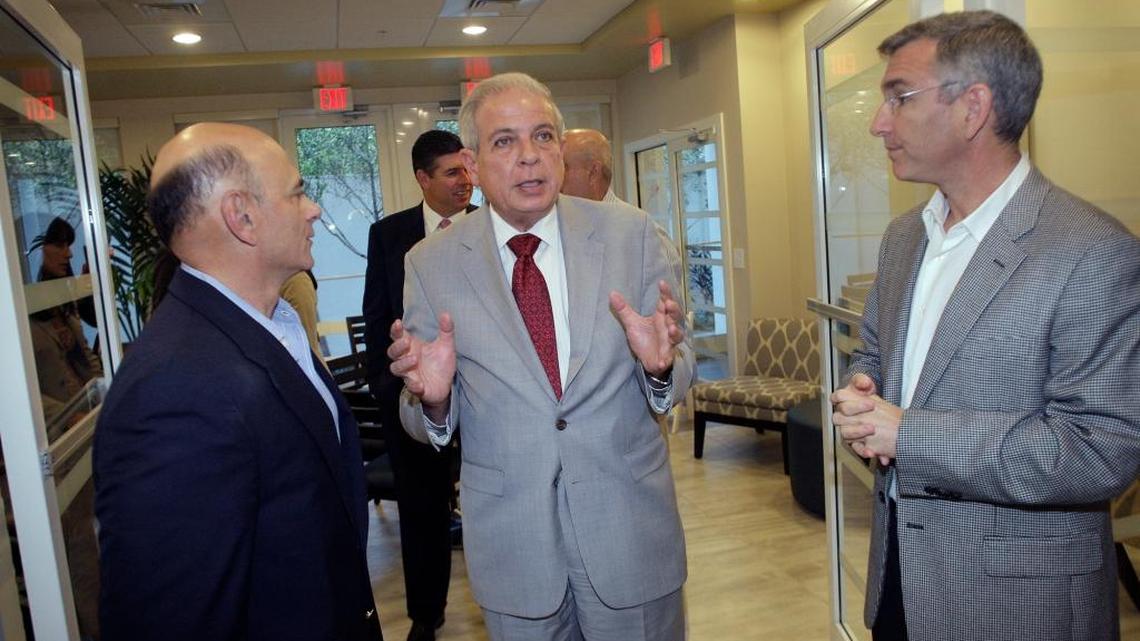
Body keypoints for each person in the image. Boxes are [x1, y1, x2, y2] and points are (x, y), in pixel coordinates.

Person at [829, 11, 1139, 641]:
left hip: (1019, 606)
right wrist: (863, 389)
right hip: (899, 582)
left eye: (899, 97)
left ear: (973, 108)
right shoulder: (903, 237)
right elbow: (876, 353)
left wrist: (910, 434)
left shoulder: (1092, 252)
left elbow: (1101, 452)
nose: (877, 122)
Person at [387, 72, 694, 641]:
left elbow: (681, 366)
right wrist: (430, 401)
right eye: (504, 141)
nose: (530, 157)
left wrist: (660, 367)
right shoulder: (430, 263)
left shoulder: (633, 236)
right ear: (473, 165)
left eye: (544, 136)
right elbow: (419, 416)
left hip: (629, 533)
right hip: (514, 545)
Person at [94, 123, 382, 641]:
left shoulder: (270, 325)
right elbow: (171, 619)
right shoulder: (174, 389)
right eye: (297, 192)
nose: (313, 208)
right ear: (241, 216)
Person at [362, 129, 474, 641]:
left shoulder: (492, 229)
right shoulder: (388, 234)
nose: (466, 181)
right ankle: (425, 616)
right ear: (423, 179)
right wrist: (391, 388)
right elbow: (376, 316)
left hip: (485, 402)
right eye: (452, 172)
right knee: (422, 514)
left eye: (468, 169)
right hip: (415, 402)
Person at [560, 128, 622, 203]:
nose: (553, 177)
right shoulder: (557, 213)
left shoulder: (629, 215)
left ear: (593, 172)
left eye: (562, 168)